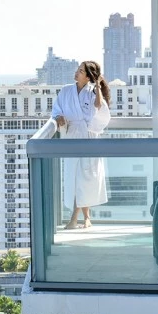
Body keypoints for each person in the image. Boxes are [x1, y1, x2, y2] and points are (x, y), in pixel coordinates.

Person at [51, 61, 111, 229]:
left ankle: (74, 218)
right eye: (77, 70)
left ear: (88, 76)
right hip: (72, 136)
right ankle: (86, 217)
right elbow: (57, 110)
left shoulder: (92, 93)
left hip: (88, 137)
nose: (76, 73)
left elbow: (99, 108)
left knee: (86, 178)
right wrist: (58, 118)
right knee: (75, 177)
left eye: (81, 71)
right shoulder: (65, 91)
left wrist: (98, 87)